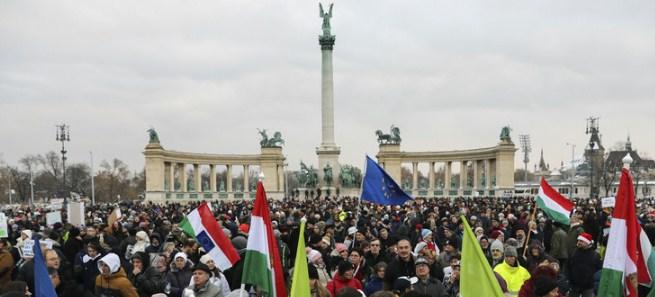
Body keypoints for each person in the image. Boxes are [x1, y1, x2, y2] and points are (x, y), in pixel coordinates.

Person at [567, 233, 601, 297]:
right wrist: (569, 279)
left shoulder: (595, 255)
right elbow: (568, 266)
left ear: (587, 243)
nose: (578, 242)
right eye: (578, 240)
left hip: (588, 286)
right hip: (574, 285)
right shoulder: (574, 252)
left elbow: (598, 270)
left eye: (581, 241)